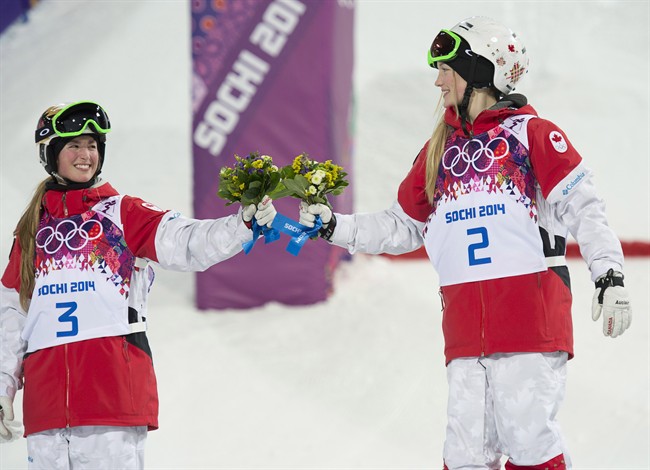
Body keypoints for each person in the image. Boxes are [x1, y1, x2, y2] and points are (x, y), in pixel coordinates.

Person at [299, 16, 632, 470]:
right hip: (464, 331)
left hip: (529, 320)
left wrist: (609, 275)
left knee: (529, 440)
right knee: (465, 454)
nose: (437, 80)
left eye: (447, 68)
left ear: (481, 72)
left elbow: (585, 210)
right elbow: (402, 227)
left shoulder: (531, 135)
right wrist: (335, 226)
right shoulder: (438, 151)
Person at [0, 101, 276, 468]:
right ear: (50, 153)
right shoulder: (30, 231)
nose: (86, 155)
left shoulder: (122, 213)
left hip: (111, 405)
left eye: (93, 145)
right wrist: (3, 384)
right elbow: (13, 313)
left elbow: (188, 242)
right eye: (74, 146)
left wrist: (241, 224)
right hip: (46, 413)